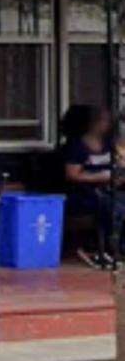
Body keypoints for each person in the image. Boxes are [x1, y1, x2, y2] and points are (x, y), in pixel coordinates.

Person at [61, 103, 125, 268]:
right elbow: (72, 174)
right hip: (84, 194)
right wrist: (101, 177)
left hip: (111, 189)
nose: (108, 123)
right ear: (92, 123)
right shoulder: (76, 146)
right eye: (103, 120)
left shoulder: (109, 144)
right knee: (113, 205)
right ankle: (111, 249)